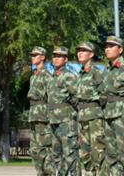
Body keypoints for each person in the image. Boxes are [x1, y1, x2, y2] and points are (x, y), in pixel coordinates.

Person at [102, 35, 124, 176]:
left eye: (111, 46)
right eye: (106, 46)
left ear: (120, 49)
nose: (107, 49)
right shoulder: (107, 69)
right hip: (109, 115)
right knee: (112, 157)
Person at [74, 41, 105, 176]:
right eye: (78, 50)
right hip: (82, 118)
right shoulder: (80, 74)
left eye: (83, 50)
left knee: (98, 153)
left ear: (91, 54)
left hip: (95, 118)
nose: (80, 53)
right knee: (84, 154)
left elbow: (104, 94)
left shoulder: (96, 72)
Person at [48, 46, 79, 175]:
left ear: (66, 59)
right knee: (56, 155)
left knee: (70, 155)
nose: (56, 58)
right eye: (55, 56)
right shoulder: (53, 77)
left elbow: (76, 98)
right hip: (54, 121)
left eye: (59, 56)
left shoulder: (69, 76)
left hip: (66, 122)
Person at [28, 46, 54, 175]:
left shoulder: (47, 76)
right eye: (32, 55)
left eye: (35, 55)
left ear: (42, 57)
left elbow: (52, 98)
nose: (32, 57)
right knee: (34, 150)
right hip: (33, 116)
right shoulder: (33, 76)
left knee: (46, 150)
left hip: (44, 117)